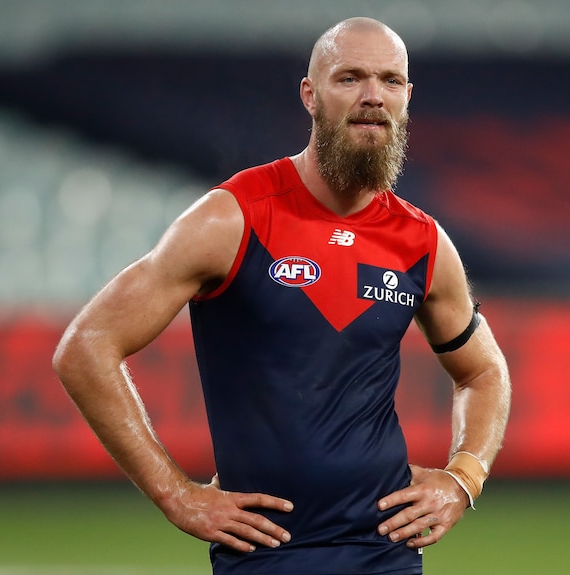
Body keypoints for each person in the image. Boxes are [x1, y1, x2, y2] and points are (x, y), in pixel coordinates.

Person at [52, 17, 511, 575]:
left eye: (391, 81)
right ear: (310, 95)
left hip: (385, 552)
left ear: (407, 97)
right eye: (350, 78)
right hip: (265, 555)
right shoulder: (233, 216)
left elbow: (484, 371)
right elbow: (86, 346)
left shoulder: (423, 242)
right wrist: (175, 494)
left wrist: (465, 477)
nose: (373, 96)